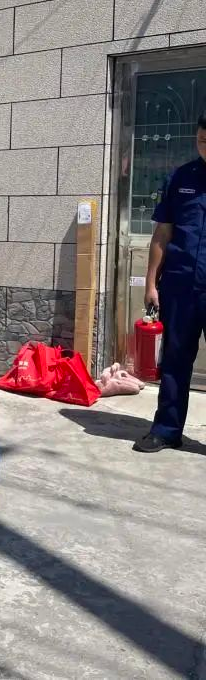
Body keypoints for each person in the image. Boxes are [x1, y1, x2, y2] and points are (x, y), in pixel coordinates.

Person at [134, 113, 206, 454]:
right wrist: (151, 283)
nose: (205, 146)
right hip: (180, 287)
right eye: (202, 139)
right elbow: (162, 234)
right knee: (175, 361)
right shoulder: (180, 178)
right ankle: (166, 430)